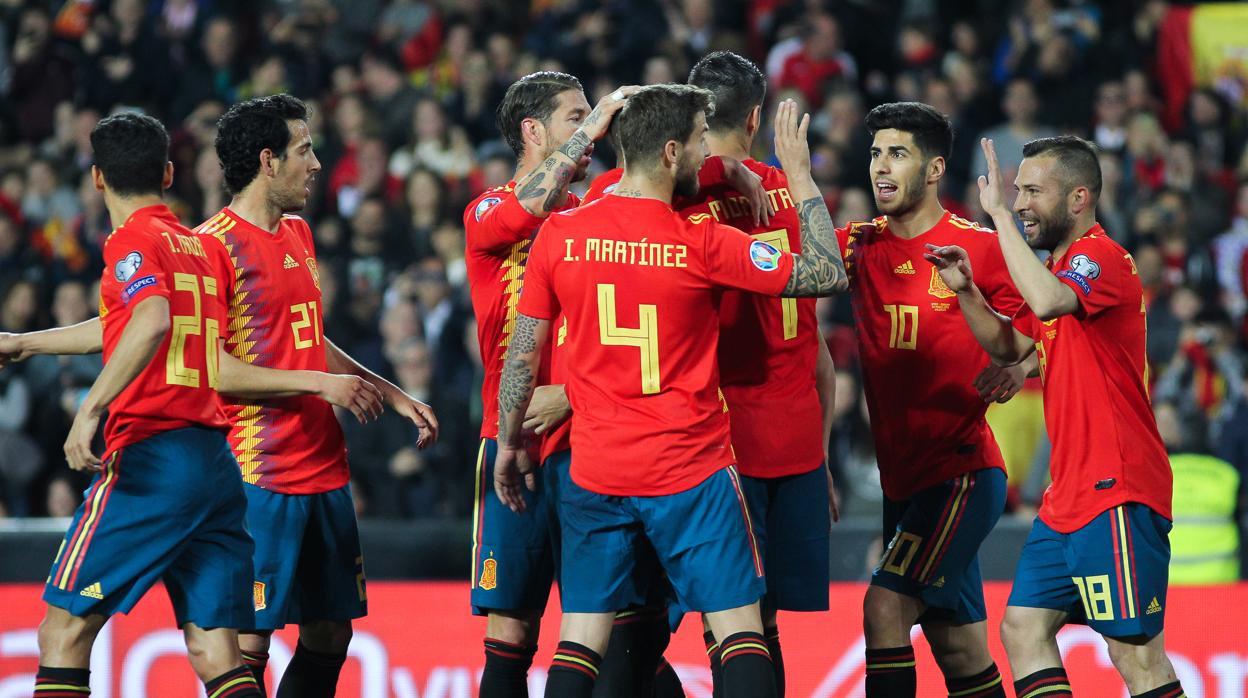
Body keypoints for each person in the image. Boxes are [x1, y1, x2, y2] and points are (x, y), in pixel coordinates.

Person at [1, 112, 384, 698]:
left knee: (64, 632)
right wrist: (27, 344)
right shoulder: (194, 246)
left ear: (97, 180)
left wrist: (91, 407)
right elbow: (123, 324)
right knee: (217, 651)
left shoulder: (132, 240)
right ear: (170, 172)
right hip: (217, 465)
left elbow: (149, 320)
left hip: (153, 459)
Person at [495, 88, 848, 698]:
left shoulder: (561, 233)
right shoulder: (698, 243)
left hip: (597, 469)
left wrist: (508, 441)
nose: (704, 157)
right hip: (691, 470)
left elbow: (522, 355)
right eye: (698, 142)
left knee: (580, 641)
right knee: (739, 630)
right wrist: (801, 178)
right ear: (669, 151)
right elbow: (826, 273)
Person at [927, 135, 1187, 698]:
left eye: (1032, 191)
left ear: (1078, 198)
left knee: (1136, 656)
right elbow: (1009, 345)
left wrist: (994, 216)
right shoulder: (1059, 268)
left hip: (1116, 487)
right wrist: (969, 291)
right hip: (1067, 496)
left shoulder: (1101, 257)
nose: (1019, 202)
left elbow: (1046, 303)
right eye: (1016, 191)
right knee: (1023, 629)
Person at [199, 93, 438, 697]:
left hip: (325, 468)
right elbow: (211, 368)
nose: (315, 162)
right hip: (260, 472)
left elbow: (307, 336)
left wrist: (389, 390)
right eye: (303, 149)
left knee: (331, 633)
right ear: (267, 160)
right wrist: (318, 384)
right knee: (249, 642)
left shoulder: (300, 233)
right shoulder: (212, 248)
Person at [840, 102, 1022, 698]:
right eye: (874, 154)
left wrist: (1025, 363)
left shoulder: (980, 247)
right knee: (960, 647)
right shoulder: (858, 247)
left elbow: (1053, 321)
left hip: (960, 474)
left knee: (883, 610)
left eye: (898, 154)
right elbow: (792, 261)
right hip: (904, 481)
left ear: (936, 167)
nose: (881, 168)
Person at [462, 71, 633, 697]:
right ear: (534, 131)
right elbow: (531, 205)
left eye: (591, 117)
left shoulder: (597, 219)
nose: (593, 130)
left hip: (591, 438)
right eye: (575, 117)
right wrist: (598, 122)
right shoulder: (486, 212)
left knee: (609, 628)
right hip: (507, 441)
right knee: (511, 633)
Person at [679, 50, 839, 697]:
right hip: (797, 438)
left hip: (715, 442)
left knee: (723, 622)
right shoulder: (794, 194)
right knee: (761, 624)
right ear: (756, 116)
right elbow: (821, 346)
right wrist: (824, 454)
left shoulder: (675, 198)